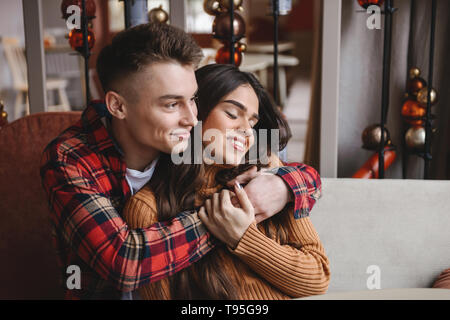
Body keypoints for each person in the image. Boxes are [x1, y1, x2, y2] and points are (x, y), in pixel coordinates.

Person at [40, 23, 323, 299]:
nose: (191, 118)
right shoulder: (71, 159)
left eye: (193, 100)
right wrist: (230, 214)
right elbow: (124, 261)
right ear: (118, 106)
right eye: (171, 104)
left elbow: (297, 172)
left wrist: (283, 185)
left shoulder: (186, 140)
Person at [123, 63, 329, 299]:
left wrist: (244, 238)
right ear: (194, 114)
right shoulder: (148, 207)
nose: (247, 132)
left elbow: (317, 278)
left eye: (252, 123)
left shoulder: (267, 174)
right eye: (232, 114)